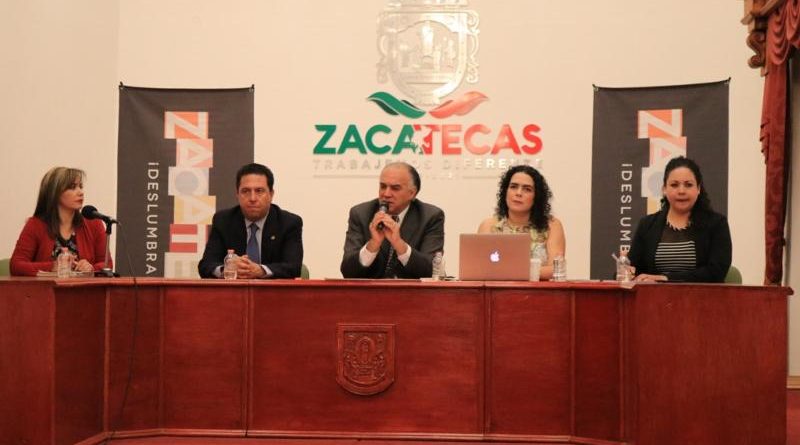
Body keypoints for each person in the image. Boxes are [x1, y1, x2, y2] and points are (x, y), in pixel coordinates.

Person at [628, 156, 732, 282]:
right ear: (664, 189)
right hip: (655, 294)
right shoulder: (647, 225)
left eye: (688, 185)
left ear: (698, 189)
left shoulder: (717, 224)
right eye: (674, 185)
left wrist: (665, 279)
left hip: (701, 294)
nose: (681, 191)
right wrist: (627, 272)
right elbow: (631, 270)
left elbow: (716, 272)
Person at [198, 163, 303, 279]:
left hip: (272, 290)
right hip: (234, 290)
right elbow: (205, 266)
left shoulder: (289, 223)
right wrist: (228, 268)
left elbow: (293, 268)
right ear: (237, 194)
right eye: (246, 191)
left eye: (259, 191)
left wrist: (261, 270)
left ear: (271, 194)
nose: (252, 198)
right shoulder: (223, 221)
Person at [341, 162, 444, 279]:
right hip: (371, 290)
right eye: (383, 186)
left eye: (395, 188)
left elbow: (432, 271)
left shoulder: (430, 216)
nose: (386, 194)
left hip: (412, 290)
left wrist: (399, 244)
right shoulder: (361, 214)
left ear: (412, 193)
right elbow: (348, 272)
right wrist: (373, 245)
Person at [10, 167, 109, 276]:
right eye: (72, 187)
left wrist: (90, 268)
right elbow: (16, 266)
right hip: (47, 287)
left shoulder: (93, 223)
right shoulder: (35, 225)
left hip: (83, 287)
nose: (80, 192)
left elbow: (107, 263)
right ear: (54, 193)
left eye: (80, 187)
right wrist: (52, 266)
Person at [477, 165, 566, 280]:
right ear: (505, 192)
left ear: (536, 196)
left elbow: (555, 269)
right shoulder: (489, 226)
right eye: (513, 187)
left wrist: (510, 271)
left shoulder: (551, 225)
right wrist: (528, 271)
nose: (518, 193)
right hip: (497, 289)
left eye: (527, 189)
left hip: (539, 290)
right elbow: (479, 268)